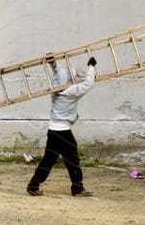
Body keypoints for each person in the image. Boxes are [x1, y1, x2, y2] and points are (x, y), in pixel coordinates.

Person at [27, 55, 96, 197]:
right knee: (72, 159)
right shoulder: (70, 92)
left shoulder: (56, 88)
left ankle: (33, 185)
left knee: (48, 159)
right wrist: (91, 66)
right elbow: (88, 83)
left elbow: (57, 72)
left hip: (53, 130)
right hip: (63, 131)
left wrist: (52, 63)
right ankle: (77, 188)